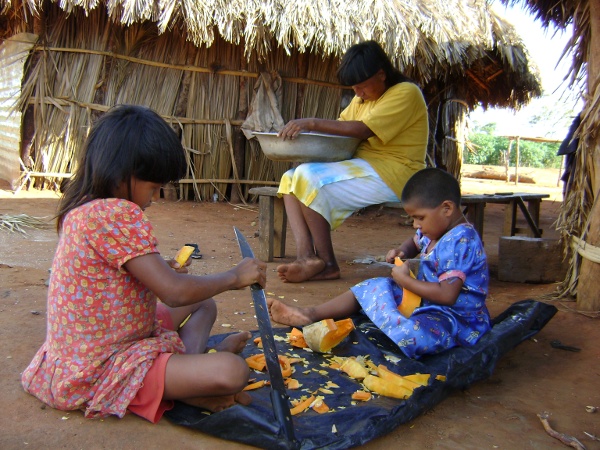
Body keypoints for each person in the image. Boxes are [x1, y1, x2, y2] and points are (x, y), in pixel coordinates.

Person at [21, 105, 267, 422]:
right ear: (124, 173)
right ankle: (190, 382)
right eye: (152, 187)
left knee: (204, 304)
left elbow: (116, 271)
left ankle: (187, 374)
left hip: (103, 341)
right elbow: (174, 294)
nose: (153, 198)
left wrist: (161, 265)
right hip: (101, 365)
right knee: (232, 371)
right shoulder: (115, 213)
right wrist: (235, 276)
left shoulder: (85, 209)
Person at [268, 168, 491, 358]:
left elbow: (447, 295)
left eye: (419, 218)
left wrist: (405, 280)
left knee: (413, 333)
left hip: (455, 319)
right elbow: (414, 243)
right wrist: (402, 251)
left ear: (447, 209)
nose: (415, 225)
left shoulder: (462, 241)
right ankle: (309, 314)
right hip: (425, 301)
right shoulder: (435, 230)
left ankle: (391, 326)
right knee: (373, 285)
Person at [276, 40, 428, 283]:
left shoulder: (406, 92)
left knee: (307, 176)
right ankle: (306, 256)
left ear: (381, 74)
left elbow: (362, 129)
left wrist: (311, 123)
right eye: (354, 88)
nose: (357, 93)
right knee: (290, 177)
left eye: (362, 86)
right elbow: (341, 129)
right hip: (367, 168)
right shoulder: (363, 100)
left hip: (399, 173)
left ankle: (328, 264)